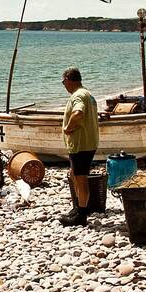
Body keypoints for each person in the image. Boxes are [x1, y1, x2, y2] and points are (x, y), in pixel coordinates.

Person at [59, 66, 99, 227]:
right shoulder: (87, 94)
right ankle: (78, 207)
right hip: (87, 142)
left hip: (81, 144)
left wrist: (68, 127)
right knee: (75, 174)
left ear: (69, 80)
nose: (63, 85)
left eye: (63, 82)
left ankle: (81, 216)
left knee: (81, 179)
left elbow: (78, 113)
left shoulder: (78, 96)